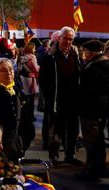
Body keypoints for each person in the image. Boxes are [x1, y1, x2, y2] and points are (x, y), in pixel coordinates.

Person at [39, 26, 82, 166]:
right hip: (56, 99)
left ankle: (70, 155)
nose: (68, 41)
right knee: (56, 131)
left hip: (73, 99)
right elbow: (43, 79)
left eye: (71, 39)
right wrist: (47, 98)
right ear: (59, 38)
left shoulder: (75, 53)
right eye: (65, 38)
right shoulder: (49, 56)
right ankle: (54, 157)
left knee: (73, 130)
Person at [77, 40, 109, 180]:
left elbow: (90, 90)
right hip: (101, 107)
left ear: (91, 52)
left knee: (91, 141)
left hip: (91, 109)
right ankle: (99, 167)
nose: (84, 54)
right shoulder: (105, 63)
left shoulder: (94, 67)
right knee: (98, 140)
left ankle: (91, 170)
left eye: (85, 51)